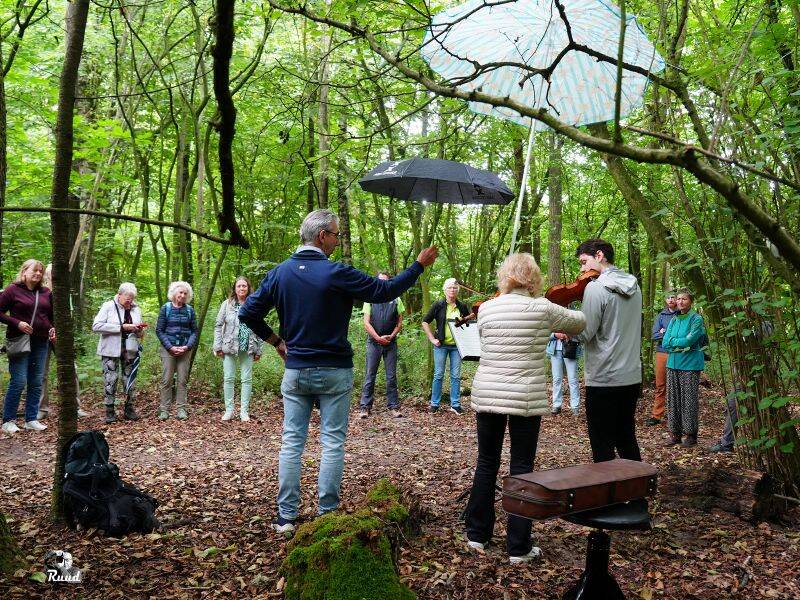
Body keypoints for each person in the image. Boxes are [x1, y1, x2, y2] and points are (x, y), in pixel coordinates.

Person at [239, 209, 438, 535]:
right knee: (332, 442)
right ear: (322, 236)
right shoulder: (336, 273)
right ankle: (326, 515)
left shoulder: (280, 274)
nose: (337, 239)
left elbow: (248, 312)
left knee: (292, 442)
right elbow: (385, 291)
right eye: (336, 234)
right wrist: (418, 265)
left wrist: (277, 342)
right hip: (334, 371)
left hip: (297, 370)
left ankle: (286, 518)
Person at [466, 253, 585, 564]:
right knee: (522, 466)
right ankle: (518, 547)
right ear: (533, 278)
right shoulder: (542, 307)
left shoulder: (487, 308)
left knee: (486, 462)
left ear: (504, 276)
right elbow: (580, 322)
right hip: (524, 395)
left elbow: (484, 341)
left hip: (489, 391)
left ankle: (477, 534)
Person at [575, 239, 643, 462]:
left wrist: (565, 330)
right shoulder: (634, 286)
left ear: (599, 256)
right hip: (631, 376)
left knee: (602, 444)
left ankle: (608, 486)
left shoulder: (595, 288)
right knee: (626, 437)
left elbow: (585, 333)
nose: (582, 269)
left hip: (603, 378)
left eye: (584, 262)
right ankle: (637, 485)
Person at [0, 259, 55, 433]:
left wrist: (52, 328)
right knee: (19, 381)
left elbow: (50, 316)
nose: (38, 273)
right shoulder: (12, 290)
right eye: (34, 270)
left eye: (41, 271)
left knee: (36, 381)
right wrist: (17, 323)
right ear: (24, 271)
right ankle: (8, 420)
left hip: (41, 342)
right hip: (19, 341)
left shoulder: (46, 292)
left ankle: (31, 419)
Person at [38, 263, 89, 421]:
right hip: (41, 336)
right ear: (47, 276)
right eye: (52, 273)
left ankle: (75, 407)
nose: (55, 276)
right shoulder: (40, 292)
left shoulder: (64, 293)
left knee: (71, 369)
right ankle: (41, 409)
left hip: (61, 337)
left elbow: (68, 316)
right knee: (41, 373)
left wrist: (62, 333)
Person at [92, 283, 146, 423]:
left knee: (129, 379)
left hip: (130, 349)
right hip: (110, 349)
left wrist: (139, 330)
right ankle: (109, 411)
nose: (130, 301)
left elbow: (139, 332)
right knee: (111, 379)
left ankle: (129, 409)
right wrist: (121, 327)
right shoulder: (108, 306)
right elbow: (96, 326)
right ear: (119, 294)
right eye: (127, 298)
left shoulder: (136, 309)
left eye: (132, 298)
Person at [213, 276, 263, 422]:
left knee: (246, 379)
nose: (241, 288)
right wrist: (217, 346)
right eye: (239, 286)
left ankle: (244, 411)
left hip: (249, 346)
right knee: (228, 378)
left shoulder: (254, 305)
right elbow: (218, 325)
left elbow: (261, 327)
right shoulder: (227, 304)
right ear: (235, 289)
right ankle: (229, 410)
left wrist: (259, 349)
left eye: (244, 286)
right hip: (229, 346)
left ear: (248, 288)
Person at [661, 289, 706, 447]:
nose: (680, 301)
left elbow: (689, 341)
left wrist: (674, 342)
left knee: (688, 400)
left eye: (684, 299)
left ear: (691, 301)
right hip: (672, 363)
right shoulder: (674, 319)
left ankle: (691, 435)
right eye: (678, 299)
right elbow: (665, 342)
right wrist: (677, 342)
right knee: (673, 400)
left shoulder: (696, 319)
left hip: (690, 364)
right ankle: (675, 434)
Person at [358, 272, 404, 419]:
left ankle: (393, 406)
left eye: (385, 281)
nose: (382, 283)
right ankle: (365, 407)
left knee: (391, 376)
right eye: (380, 281)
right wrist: (378, 338)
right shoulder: (370, 299)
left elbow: (399, 323)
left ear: (389, 282)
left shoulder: (396, 299)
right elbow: (366, 323)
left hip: (391, 343)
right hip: (374, 343)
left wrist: (391, 336)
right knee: (370, 375)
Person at [422, 278, 470, 415]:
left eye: (454, 288)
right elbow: (425, 321)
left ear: (458, 290)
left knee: (455, 376)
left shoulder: (462, 306)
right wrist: (432, 339)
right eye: (449, 288)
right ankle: (434, 404)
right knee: (438, 374)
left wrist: (464, 322)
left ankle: (455, 404)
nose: (452, 290)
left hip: (457, 346)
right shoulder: (438, 304)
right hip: (441, 345)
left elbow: (468, 324)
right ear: (445, 290)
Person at [156, 281, 198, 420]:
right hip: (168, 349)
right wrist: (170, 347)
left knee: (182, 380)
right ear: (174, 293)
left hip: (185, 350)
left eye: (185, 293)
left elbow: (194, 331)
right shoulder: (166, 308)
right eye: (180, 292)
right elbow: (159, 330)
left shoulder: (190, 310)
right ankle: (164, 410)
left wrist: (187, 346)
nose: (183, 295)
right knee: (166, 380)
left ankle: (181, 409)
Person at [647, 291, 678, 426]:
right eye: (668, 297)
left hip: (678, 353)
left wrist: (665, 332)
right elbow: (655, 335)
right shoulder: (661, 316)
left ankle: (675, 416)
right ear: (665, 300)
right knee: (660, 385)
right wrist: (669, 335)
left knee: (676, 385)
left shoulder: (681, 314)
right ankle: (656, 415)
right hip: (662, 353)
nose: (670, 299)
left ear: (677, 299)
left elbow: (682, 335)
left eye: (673, 297)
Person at [546, 331, 582, 416]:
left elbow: (581, 332)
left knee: (573, 379)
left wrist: (571, 335)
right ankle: (556, 405)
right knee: (557, 379)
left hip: (571, 347)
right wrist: (555, 335)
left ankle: (575, 407)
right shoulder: (553, 321)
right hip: (555, 351)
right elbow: (545, 333)